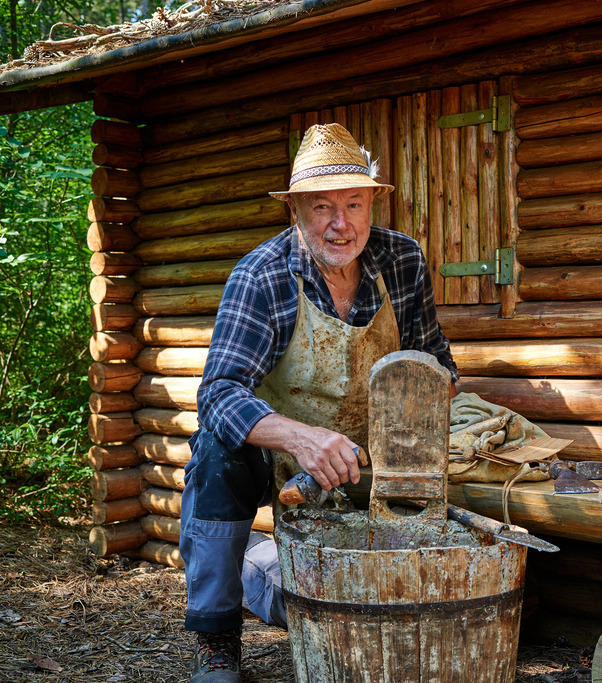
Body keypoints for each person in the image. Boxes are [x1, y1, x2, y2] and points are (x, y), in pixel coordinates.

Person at [180, 123, 458, 683]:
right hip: (280, 455)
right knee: (214, 458)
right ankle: (216, 639)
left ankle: (273, 580)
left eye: (354, 203)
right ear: (296, 212)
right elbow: (218, 394)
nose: (341, 223)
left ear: (372, 202)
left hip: (370, 453)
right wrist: (302, 438)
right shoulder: (261, 276)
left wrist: (421, 409)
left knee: (369, 603)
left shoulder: (400, 259)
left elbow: (437, 362)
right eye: (322, 207)